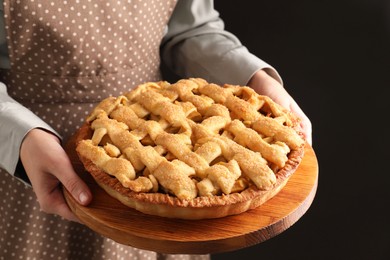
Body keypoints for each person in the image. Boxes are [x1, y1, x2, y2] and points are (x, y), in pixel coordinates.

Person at [0, 0, 312, 259]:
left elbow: (189, 29)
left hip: (169, 172)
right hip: (28, 164)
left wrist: (253, 82)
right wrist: (19, 134)